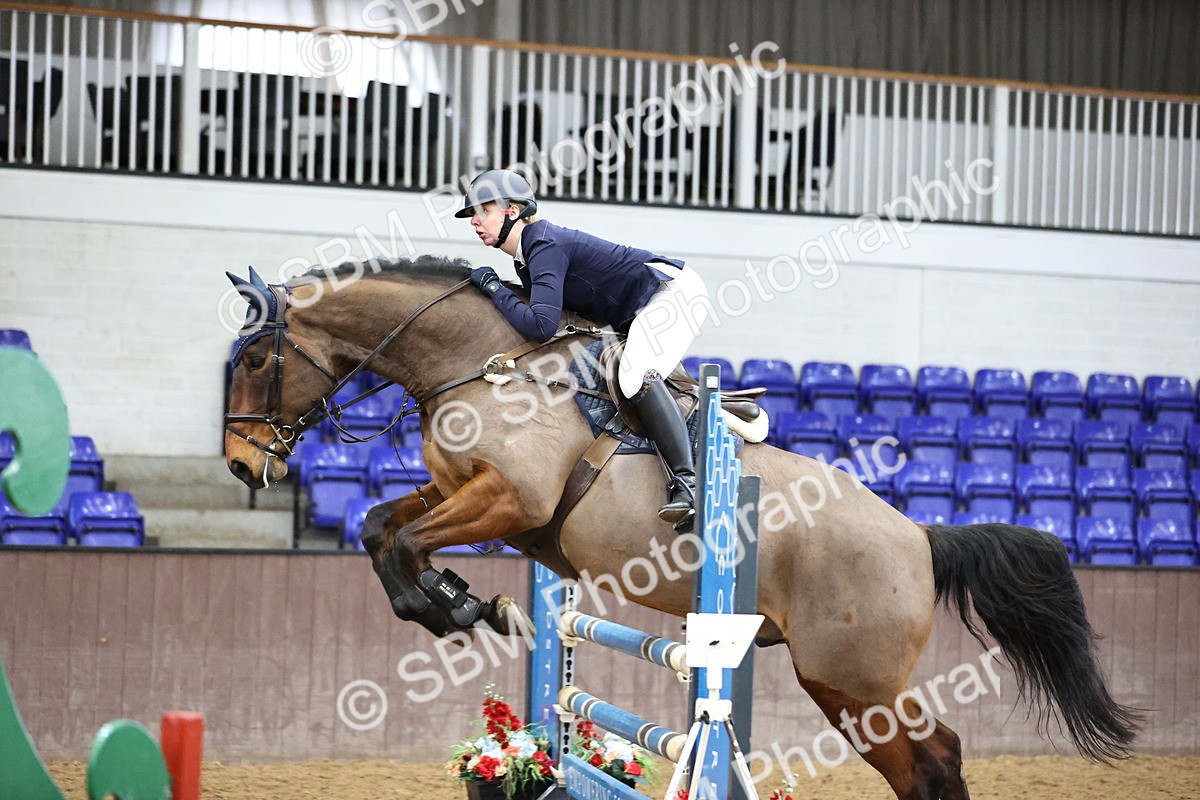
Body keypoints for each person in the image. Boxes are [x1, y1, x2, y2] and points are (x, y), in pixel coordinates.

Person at [456, 169, 710, 529]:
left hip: (672, 294)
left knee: (634, 376)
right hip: (639, 310)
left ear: (512, 210)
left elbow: (541, 327)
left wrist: (495, 290)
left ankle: (688, 484)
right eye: (473, 214)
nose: (475, 221)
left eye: (484, 211)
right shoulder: (527, 256)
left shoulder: (543, 244)